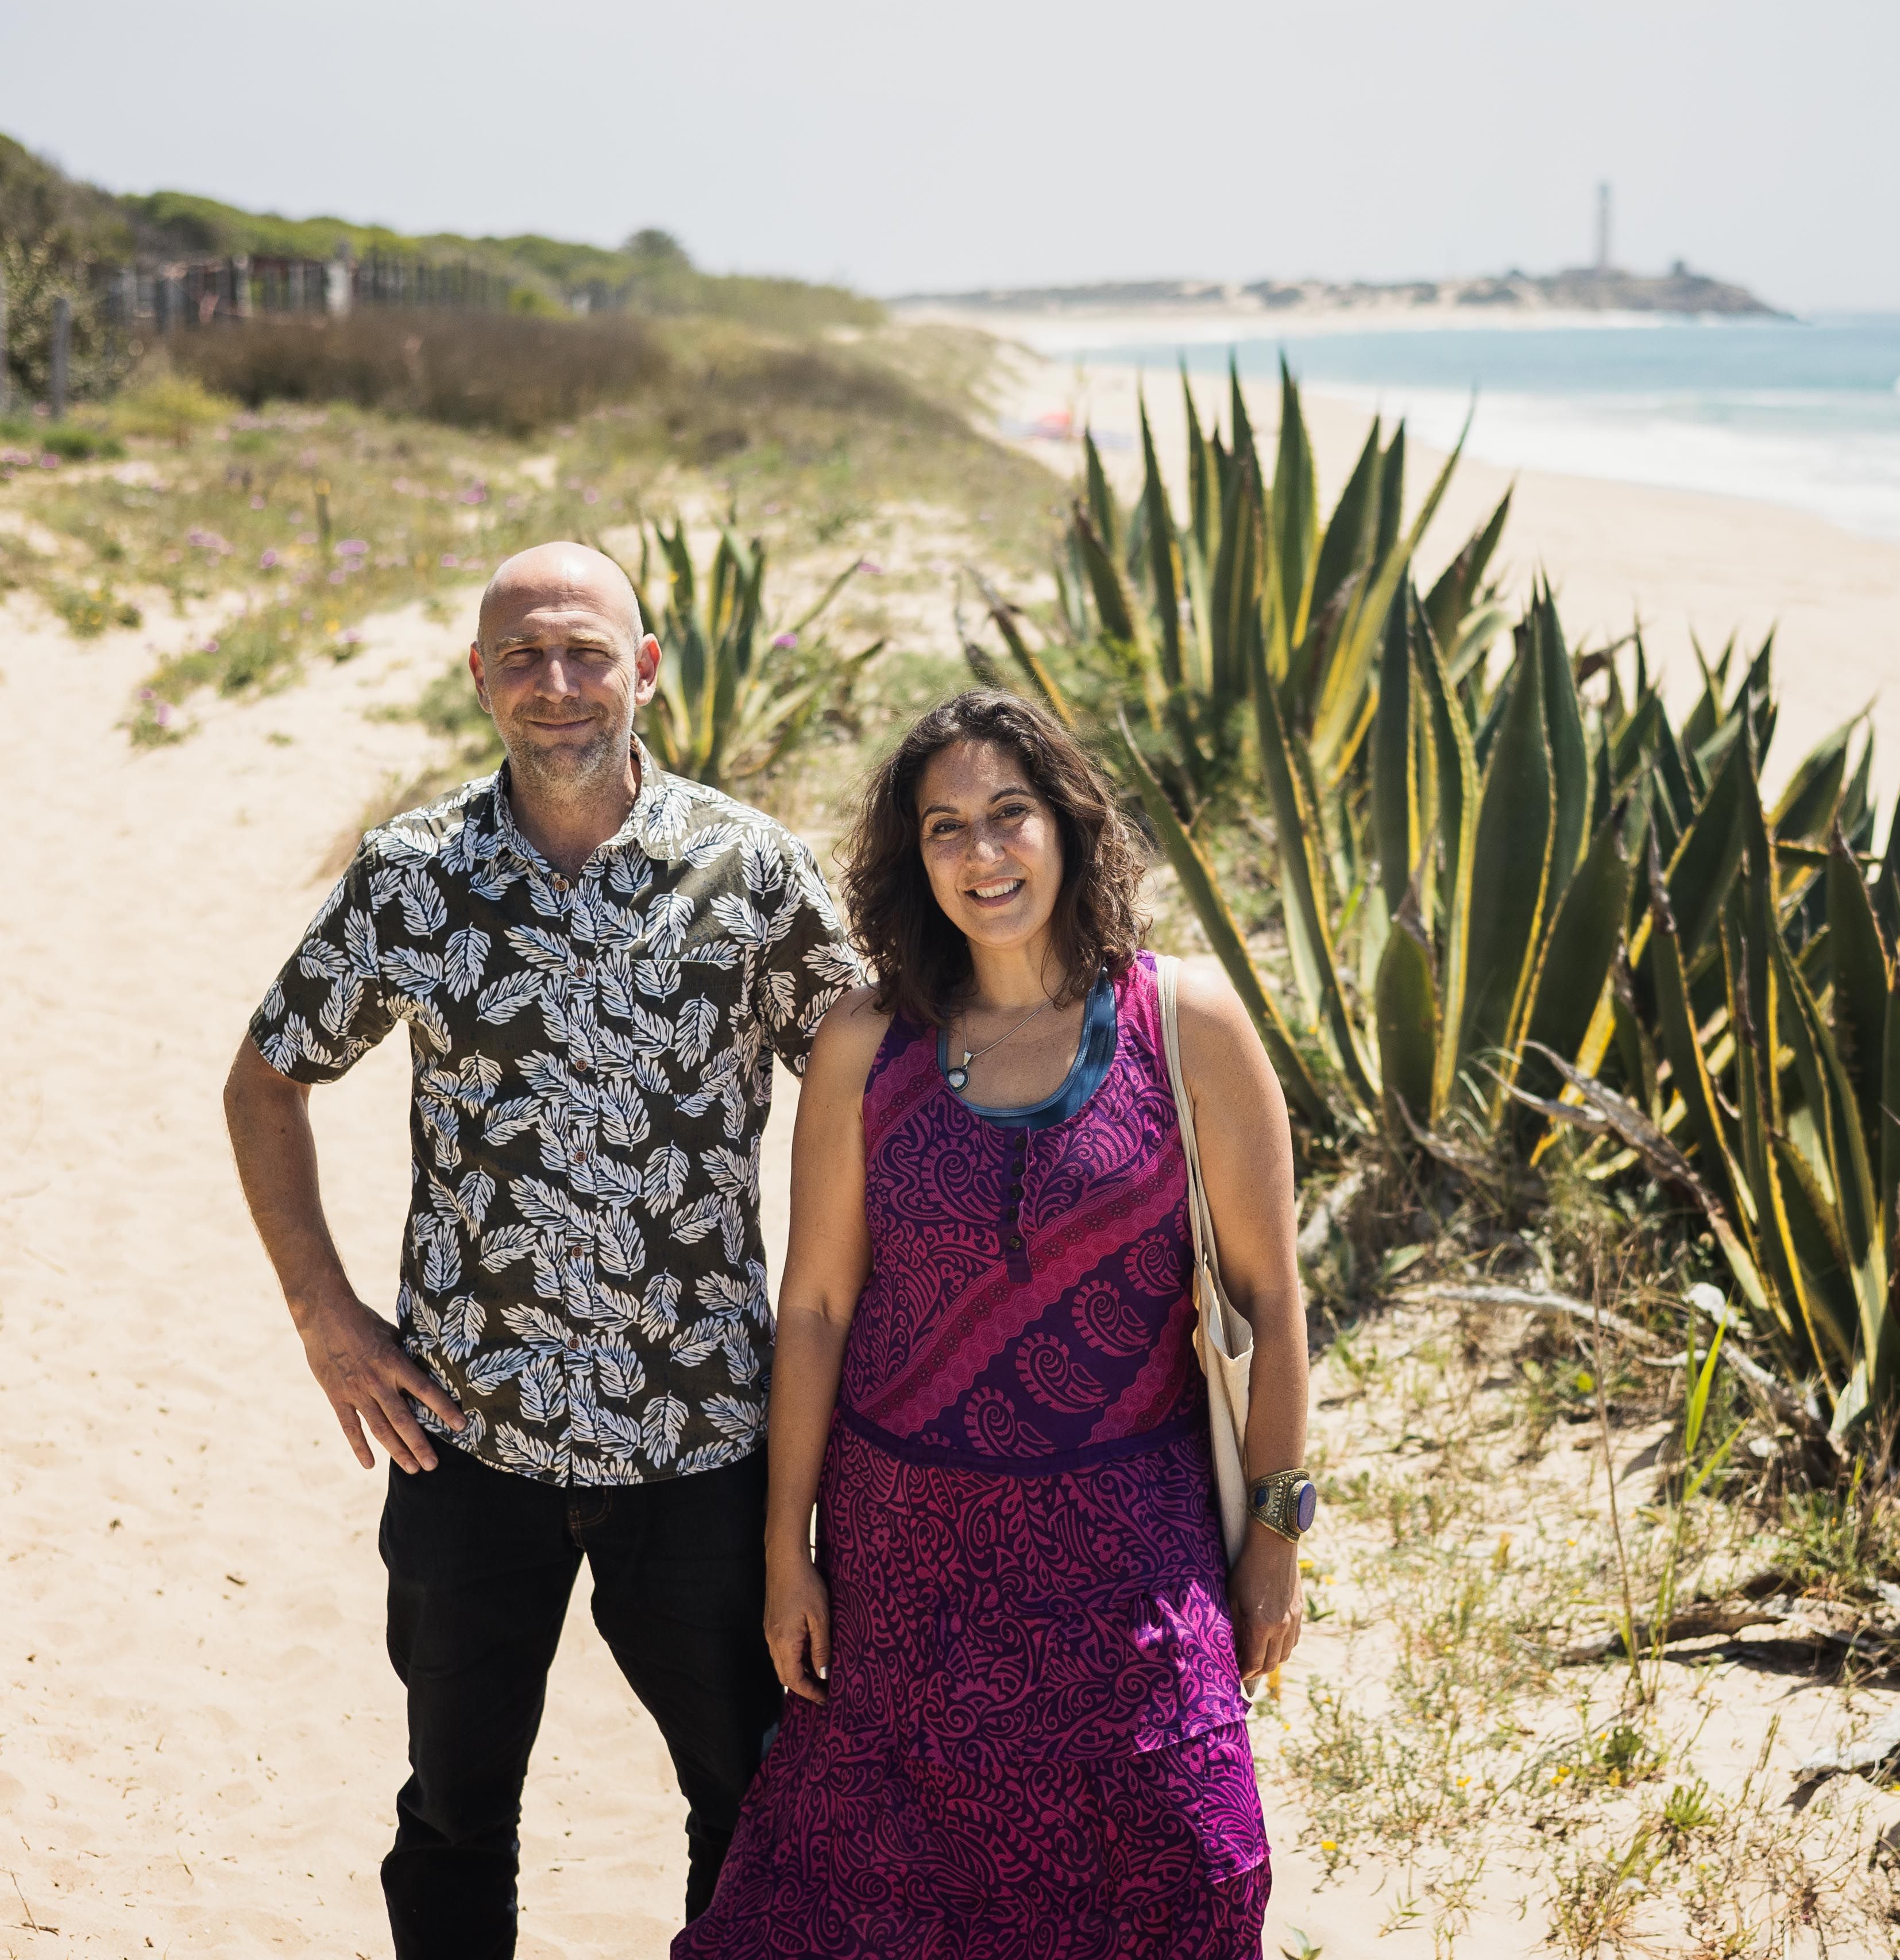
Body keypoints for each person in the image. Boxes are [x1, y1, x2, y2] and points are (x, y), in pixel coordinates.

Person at [223, 542, 864, 1957]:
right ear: (479, 681)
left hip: (704, 1443)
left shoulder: (751, 875)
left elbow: (880, 1093)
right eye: (523, 657)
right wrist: (327, 1317)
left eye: (586, 654)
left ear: (646, 668)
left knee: (748, 1804)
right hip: (469, 1443)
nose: (557, 686)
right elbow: (266, 1083)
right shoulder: (411, 878)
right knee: (457, 1812)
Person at [676, 689, 1314, 1958]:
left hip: (1128, 1558)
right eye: (946, 828)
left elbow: (1270, 1298)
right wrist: (786, 1550)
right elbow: (814, 1307)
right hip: (902, 1571)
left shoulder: (1182, 1022)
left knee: (1194, 1877)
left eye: (1010, 815)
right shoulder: (870, 1039)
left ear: (1069, 827)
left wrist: (1281, 1541)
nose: (983, 854)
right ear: (915, 861)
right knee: (868, 1913)